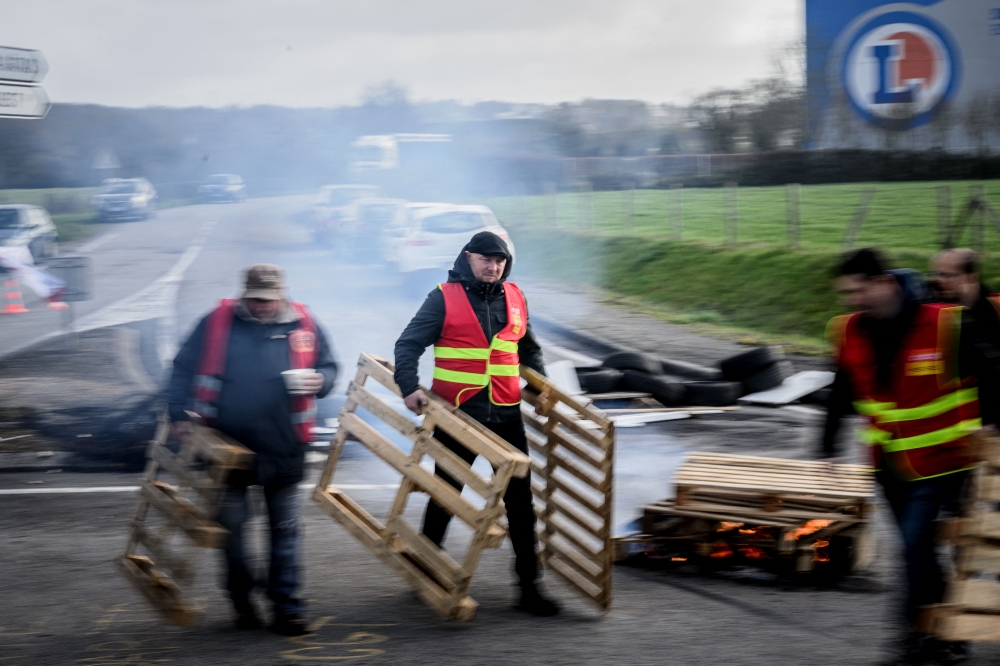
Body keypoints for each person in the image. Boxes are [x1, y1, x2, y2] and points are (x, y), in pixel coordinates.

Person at [822, 248, 1000, 665]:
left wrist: (992, 422)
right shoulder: (847, 330)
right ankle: (942, 635)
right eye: (846, 293)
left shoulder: (943, 322)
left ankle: (919, 638)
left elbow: (993, 371)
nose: (853, 300)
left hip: (948, 460)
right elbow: (840, 390)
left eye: (859, 290)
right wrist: (827, 446)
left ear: (884, 282)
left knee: (919, 549)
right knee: (918, 552)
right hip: (891, 466)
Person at [393, 231, 560, 616]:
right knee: (445, 495)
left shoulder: (516, 297)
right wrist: (407, 386)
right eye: (486, 259)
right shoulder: (443, 296)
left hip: (506, 412)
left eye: (499, 261)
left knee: (520, 504)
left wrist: (541, 387)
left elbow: (528, 350)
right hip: (457, 413)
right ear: (468, 258)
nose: (493, 266)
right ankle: (426, 568)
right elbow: (408, 344)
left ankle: (529, 588)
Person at [168, 264, 338, 636]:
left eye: (270, 300)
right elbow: (181, 368)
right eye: (257, 300)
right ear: (245, 295)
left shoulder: (304, 322)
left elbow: (329, 366)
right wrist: (177, 414)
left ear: (282, 295)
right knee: (233, 534)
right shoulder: (216, 322)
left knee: (286, 532)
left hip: (285, 446)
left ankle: (287, 607)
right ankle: (242, 601)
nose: (263, 306)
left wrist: (320, 380)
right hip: (226, 447)